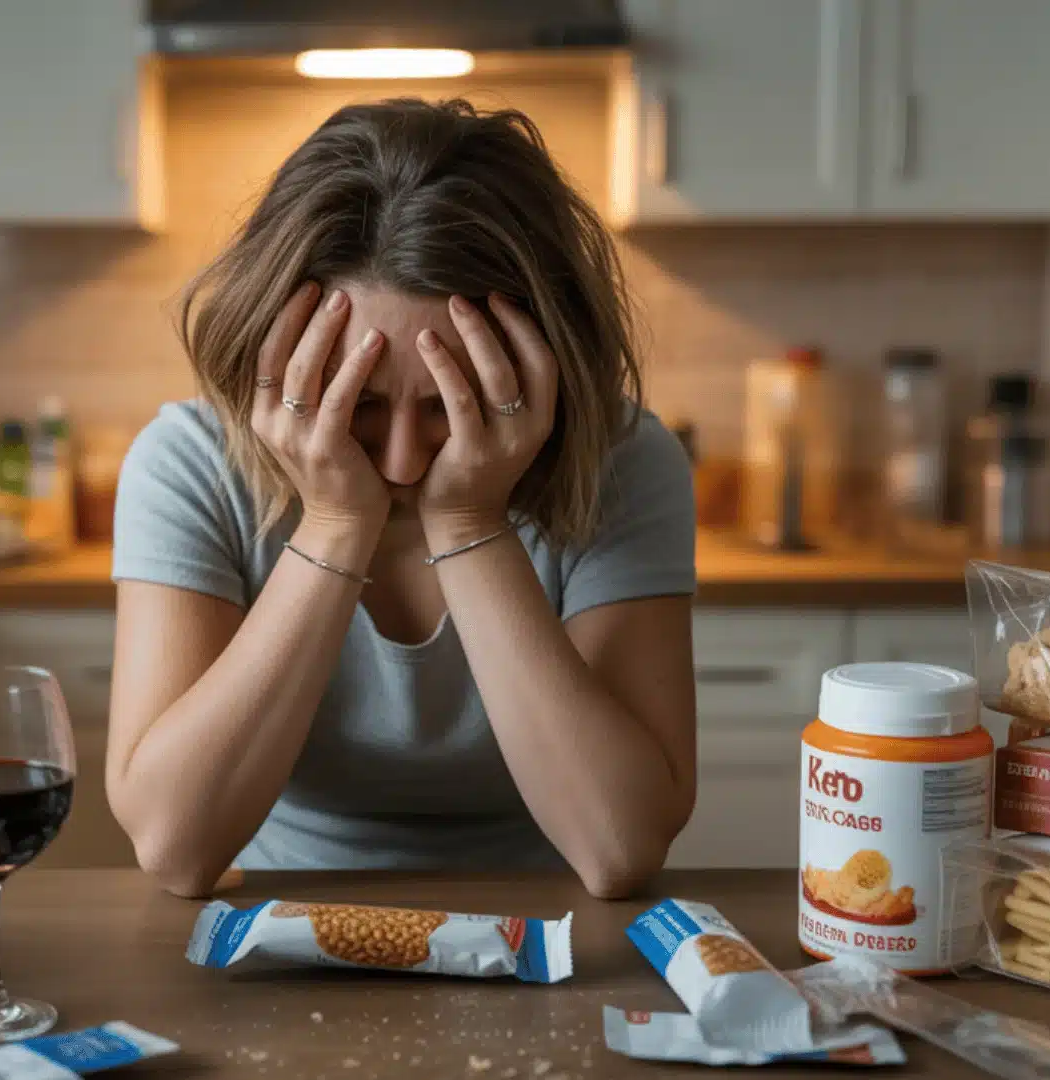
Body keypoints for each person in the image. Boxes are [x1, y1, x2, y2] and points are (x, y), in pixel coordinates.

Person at [107, 98, 697, 899]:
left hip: (550, 932)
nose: (402, 457)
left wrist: (469, 524)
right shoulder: (189, 463)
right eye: (362, 404)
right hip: (282, 926)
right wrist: (336, 525)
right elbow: (175, 849)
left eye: (457, 407)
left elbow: (619, 849)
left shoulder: (627, 461)